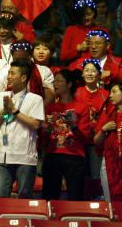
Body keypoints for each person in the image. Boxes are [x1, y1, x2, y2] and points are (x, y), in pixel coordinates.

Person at [0, 60, 45, 198]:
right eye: (8, 73)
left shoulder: (35, 99)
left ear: (23, 77)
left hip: (24, 157)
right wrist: (4, 111)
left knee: (24, 197)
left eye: (12, 73)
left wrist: (14, 111)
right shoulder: (1, 97)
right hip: (2, 157)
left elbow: (36, 124)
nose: (8, 77)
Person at [41, 69, 87, 201]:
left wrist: (73, 125)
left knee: (76, 196)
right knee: (49, 196)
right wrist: (48, 127)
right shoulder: (50, 108)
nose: (55, 84)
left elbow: (86, 138)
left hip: (74, 157)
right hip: (53, 155)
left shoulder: (81, 108)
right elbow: (44, 138)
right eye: (54, 81)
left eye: (59, 81)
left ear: (69, 84)